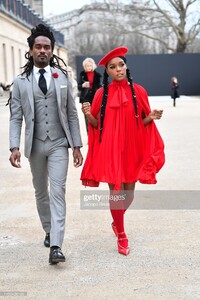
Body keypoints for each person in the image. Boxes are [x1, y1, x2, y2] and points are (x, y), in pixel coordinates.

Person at [9, 24, 83, 265]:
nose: (43, 50)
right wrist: (14, 147)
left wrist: (77, 145)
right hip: (35, 146)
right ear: (30, 50)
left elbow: (72, 114)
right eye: (38, 47)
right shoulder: (20, 81)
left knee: (58, 191)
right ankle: (49, 230)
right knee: (41, 192)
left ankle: (56, 246)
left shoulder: (62, 77)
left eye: (47, 47)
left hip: (59, 143)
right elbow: (16, 117)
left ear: (52, 51)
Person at [81, 46, 165, 256]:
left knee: (129, 194)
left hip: (131, 148)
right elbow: (95, 124)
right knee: (116, 193)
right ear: (107, 72)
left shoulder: (139, 91)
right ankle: (122, 234)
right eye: (113, 67)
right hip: (110, 149)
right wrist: (87, 113)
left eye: (121, 65)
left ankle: (115, 221)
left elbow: (142, 122)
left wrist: (152, 116)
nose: (118, 69)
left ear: (126, 67)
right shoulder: (101, 94)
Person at [78, 57, 102, 133]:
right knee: (87, 117)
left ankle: (97, 133)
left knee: (96, 116)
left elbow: (100, 86)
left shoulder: (98, 75)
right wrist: (82, 85)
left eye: (90, 65)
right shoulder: (82, 75)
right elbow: (78, 86)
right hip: (85, 98)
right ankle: (89, 134)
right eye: (87, 66)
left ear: (93, 66)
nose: (88, 67)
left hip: (95, 98)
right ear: (84, 66)